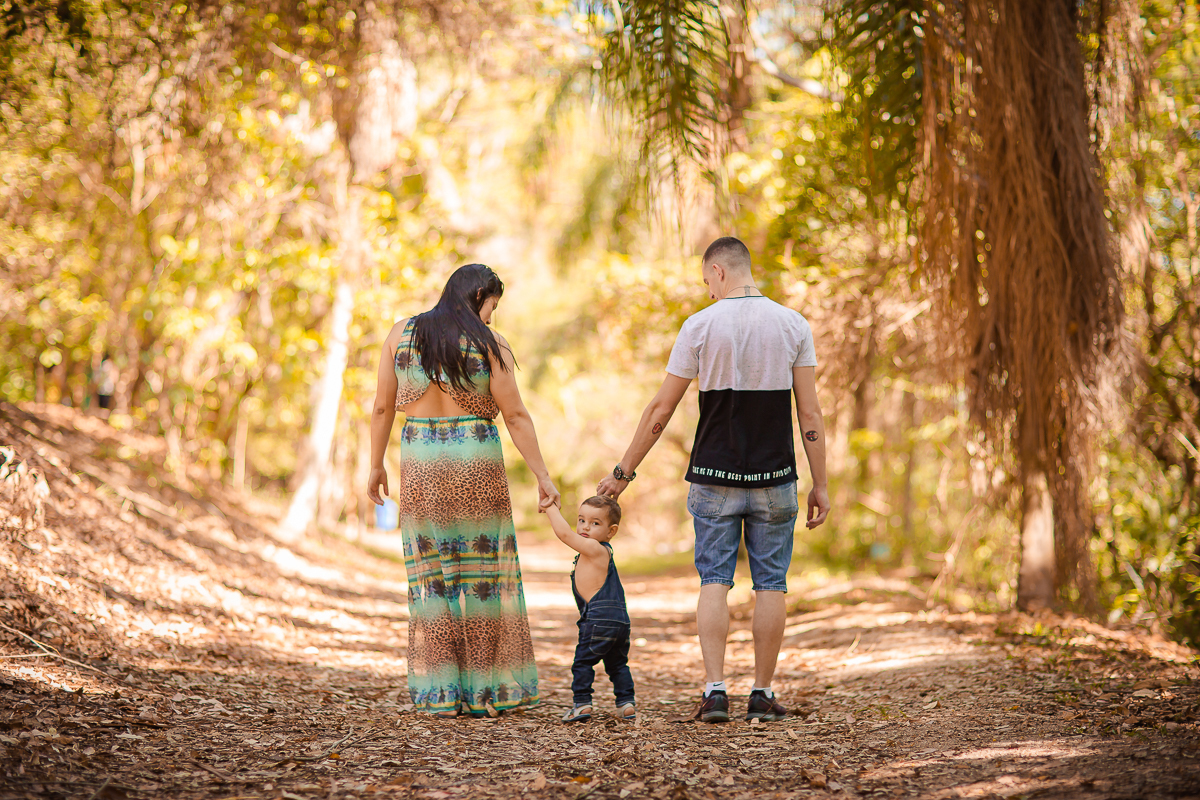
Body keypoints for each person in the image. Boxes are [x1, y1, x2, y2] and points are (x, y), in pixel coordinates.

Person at [596, 236, 830, 723]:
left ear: (719, 272)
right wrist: (820, 483)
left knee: (715, 580)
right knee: (771, 585)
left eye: (707, 282)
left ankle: (716, 691)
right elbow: (809, 412)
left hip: (714, 477)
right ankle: (762, 696)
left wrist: (623, 473)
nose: (707, 292)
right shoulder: (793, 325)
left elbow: (661, 410)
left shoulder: (700, 326)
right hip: (775, 479)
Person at [368, 263, 559, 718]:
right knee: (482, 577)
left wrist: (374, 465)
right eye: (492, 306)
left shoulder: (401, 333)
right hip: (475, 462)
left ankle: (441, 694)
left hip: (421, 466)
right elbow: (514, 416)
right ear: (479, 297)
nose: (492, 317)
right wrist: (542, 475)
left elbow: (380, 407)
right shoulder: (490, 343)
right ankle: (484, 693)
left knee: (430, 576)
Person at [542, 494, 636, 723]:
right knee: (617, 664)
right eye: (581, 520)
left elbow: (564, 534)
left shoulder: (595, 549)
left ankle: (582, 703)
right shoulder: (596, 552)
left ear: (611, 531)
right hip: (619, 621)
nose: (585, 527)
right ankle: (626, 704)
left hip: (597, 620)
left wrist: (550, 507)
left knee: (583, 662)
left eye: (595, 523)